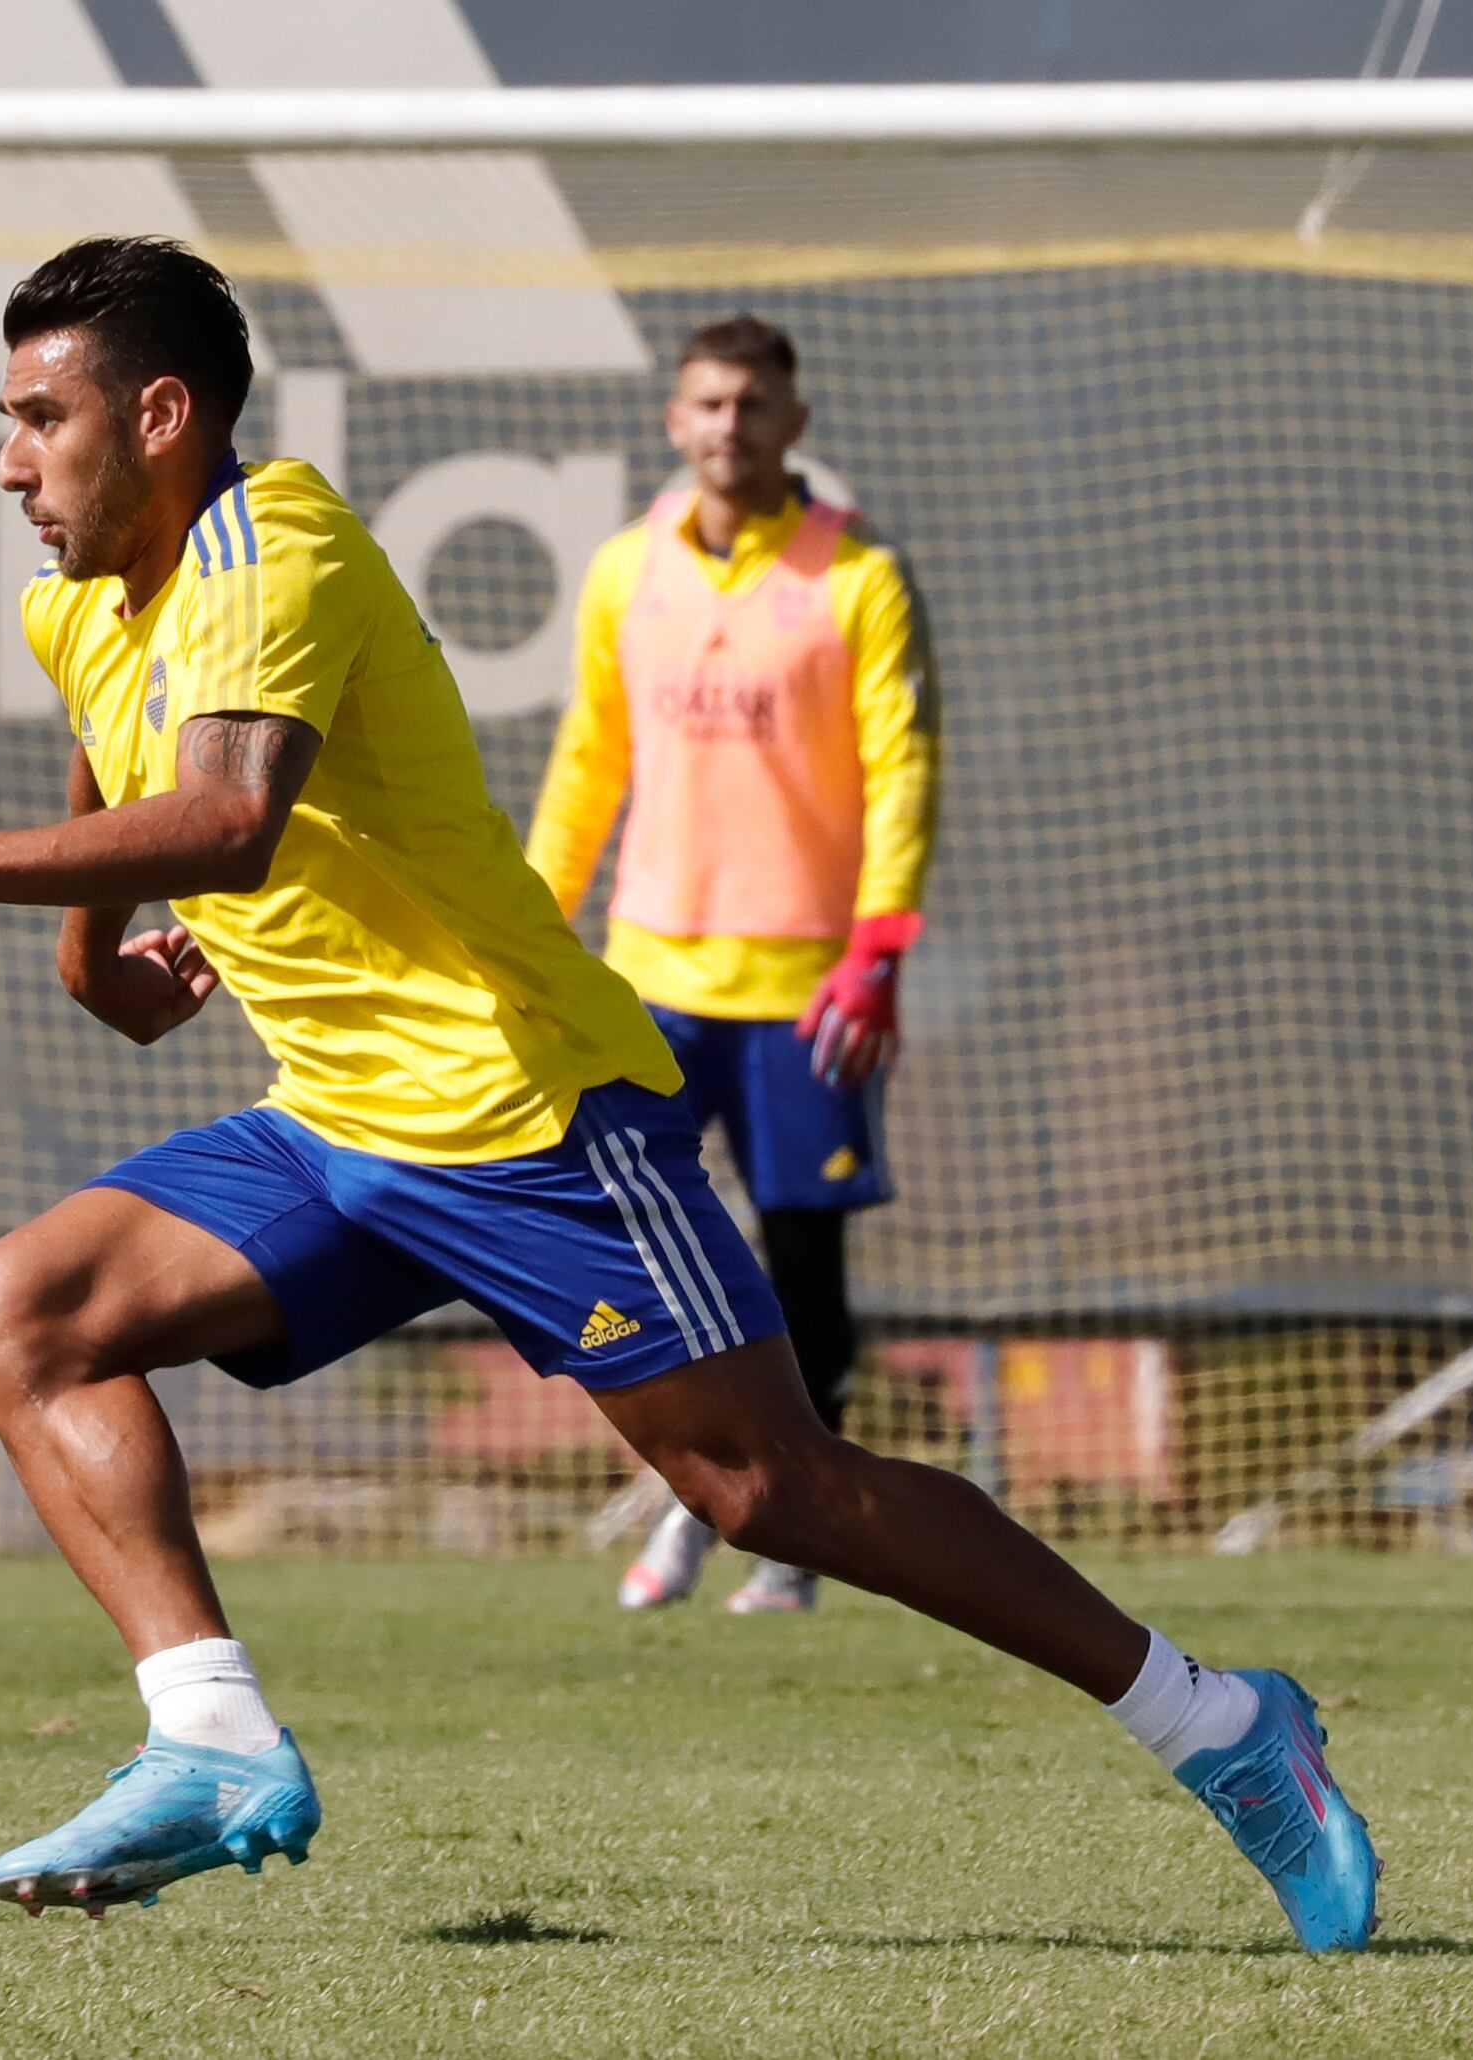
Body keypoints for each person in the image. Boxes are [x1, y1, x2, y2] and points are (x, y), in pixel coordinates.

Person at [0, 237, 1377, 1951]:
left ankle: (1222, 1725)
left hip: (529, 1112)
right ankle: (208, 1738)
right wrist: (86, 962)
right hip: (338, 1120)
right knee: (19, 1316)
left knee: (769, 1494)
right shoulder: (73, 592)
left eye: (37, 419)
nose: (6, 462)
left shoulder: (277, 545)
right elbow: (111, 765)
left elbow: (222, 817)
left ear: (158, 413)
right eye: (2, 421)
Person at [527, 315, 934, 1617]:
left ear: (792, 422)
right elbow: (587, 761)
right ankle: (688, 1496)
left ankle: (793, 1536)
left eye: (752, 405)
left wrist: (876, 950)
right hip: (648, 972)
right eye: (705, 405)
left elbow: (902, 769)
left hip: (806, 989)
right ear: (672, 420)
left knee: (803, 1270)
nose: (727, 428)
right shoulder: (619, 571)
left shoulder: (857, 578)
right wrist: (532, 927)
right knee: (626, 1251)